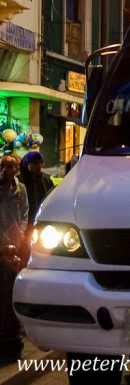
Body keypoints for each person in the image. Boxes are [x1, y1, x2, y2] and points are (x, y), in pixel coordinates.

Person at [0, 154, 27, 361]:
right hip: (1, 247)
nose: (6, 170)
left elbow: (24, 214)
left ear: (16, 169)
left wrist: (19, 237)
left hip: (15, 248)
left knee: (13, 290)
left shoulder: (21, 190)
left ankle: (13, 339)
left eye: (10, 166)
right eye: (3, 166)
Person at [19, 151, 54, 225]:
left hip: (41, 222)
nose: (39, 166)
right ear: (26, 164)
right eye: (35, 163)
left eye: (41, 163)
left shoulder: (46, 181)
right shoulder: (18, 181)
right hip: (22, 223)